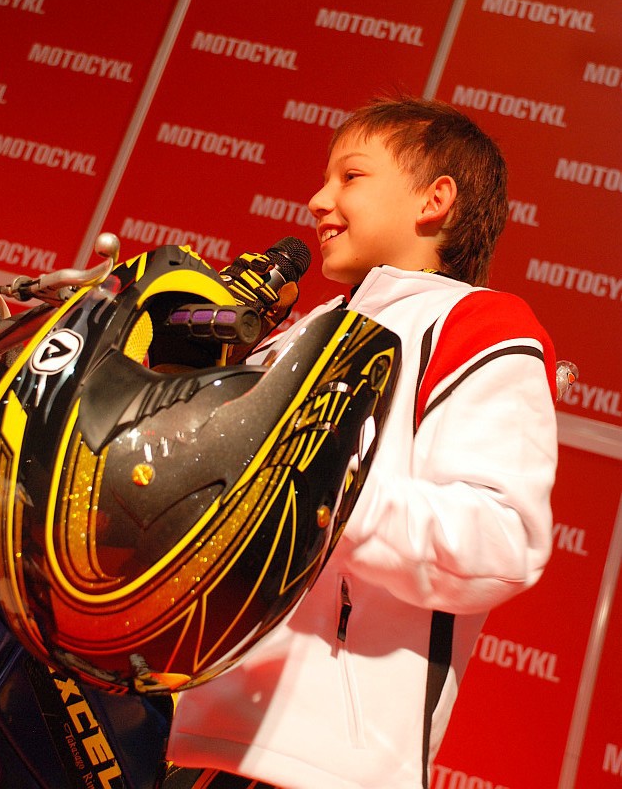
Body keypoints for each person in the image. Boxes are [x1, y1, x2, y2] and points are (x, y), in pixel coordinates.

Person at [166, 95, 558, 789]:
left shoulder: (481, 323)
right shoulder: (299, 330)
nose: (319, 200)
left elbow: (502, 540)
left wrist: (319, 487)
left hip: (330, 763)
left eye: (350, 176)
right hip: (189, 725)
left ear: (435, 200)